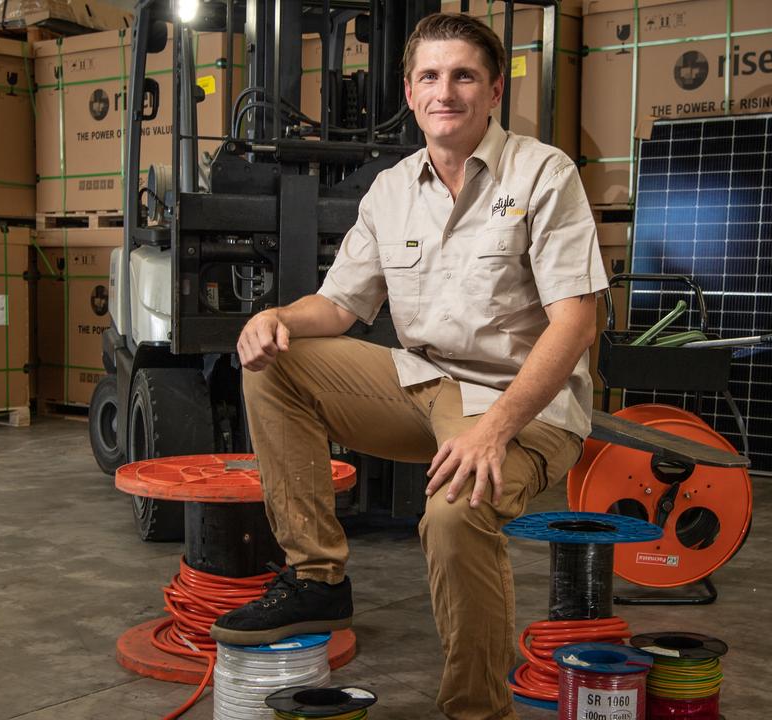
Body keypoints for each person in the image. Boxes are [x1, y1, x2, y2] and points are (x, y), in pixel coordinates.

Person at [209, 12, 607, 719]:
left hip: (526, 405)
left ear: (491, 94)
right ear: (409, 89)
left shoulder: (543, 173)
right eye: (430, 76)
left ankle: (474, 710)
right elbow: (338, 305)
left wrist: (494, 429)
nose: (444, 91)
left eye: (463, 76)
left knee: (454, 517)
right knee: (273, 363)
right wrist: (275, 318)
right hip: (423, 386)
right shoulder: (391, 190)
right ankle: (317, 576)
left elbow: (577, 320)